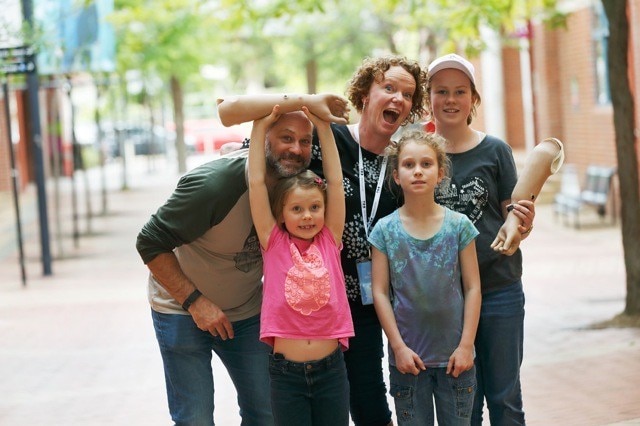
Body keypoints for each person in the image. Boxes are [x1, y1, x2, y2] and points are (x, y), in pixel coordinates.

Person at [217, 55, 427, 426]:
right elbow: (232, 115)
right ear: (365, 93)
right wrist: (308, 102)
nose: (397, 98)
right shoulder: (321, 136)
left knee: (370, 408)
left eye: (407, 94)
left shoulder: (403, 162)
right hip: (300, 313)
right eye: (388, 87)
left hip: (363, 307)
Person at [135, 104, 348, 425]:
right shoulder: (215, 185)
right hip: (181, 308)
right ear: (261, 141)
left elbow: (333, 176)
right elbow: (149, 241)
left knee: (265, 414)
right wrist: (194, 302)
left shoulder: (298, 188)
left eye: (305, 141)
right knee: (195, 418)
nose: (296, 148)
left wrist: (318, 114)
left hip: (245, 312)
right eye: (285, 138)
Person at [426, 53, 534, 425]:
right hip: (445, 300)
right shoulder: (419, 156)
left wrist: (521, 225)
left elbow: (513, 215)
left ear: (473, 99)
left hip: (499, 289)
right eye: (442, 91)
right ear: (429, 99)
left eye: (460, 91)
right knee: (462, 408)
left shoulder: (496, 151)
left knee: (505, 400)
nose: (451, 99)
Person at [248, 105, 354, 425]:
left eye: (314, 207)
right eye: (296, 208)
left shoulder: (329, 239)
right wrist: (259, 127)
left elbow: (335, 183)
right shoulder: (273, 241)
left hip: (331, 371)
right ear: (281, 214)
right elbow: (255, 183)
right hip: (286, 375)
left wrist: (323, 128)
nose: (307, 216)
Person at [369, 129, 481, 426]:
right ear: (396, 175)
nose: (417, 171)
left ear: (440, 173)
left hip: (455, 361)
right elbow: (379, 292)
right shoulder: (384, 231)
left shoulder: (459, 226)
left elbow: (472, 287)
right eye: (408, 165)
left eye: (426, 164)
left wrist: (466, 345)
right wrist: (398, 348)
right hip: (408, 364)